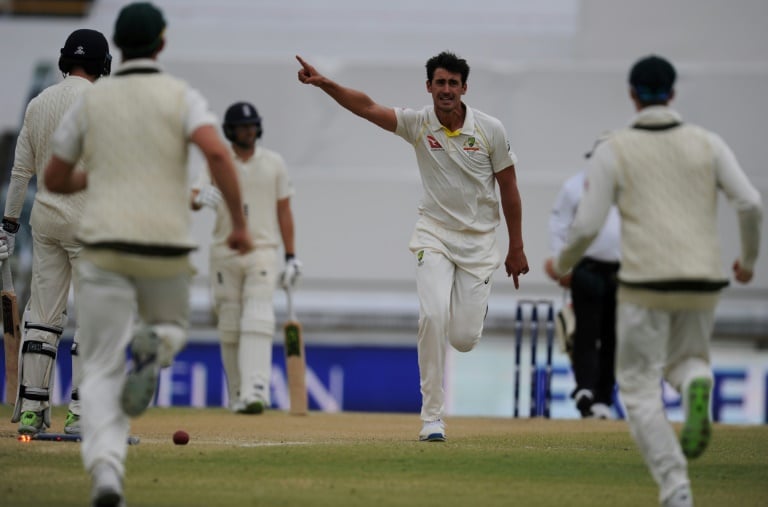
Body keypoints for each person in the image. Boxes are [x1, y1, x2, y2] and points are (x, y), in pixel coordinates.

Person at [43, 3, 252, 506]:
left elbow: (54, 178)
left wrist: (98, 175)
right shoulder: (180, 96)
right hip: (164, 246)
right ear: (161, 44)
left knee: (99, 365)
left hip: (104, 246)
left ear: (118, 46)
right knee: (170, 330)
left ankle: (107, 473)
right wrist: (240, 225)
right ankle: (154, 346)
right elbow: (217, 153)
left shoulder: (92, 102)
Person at [544, 55, 762, 507]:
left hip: (644, 282)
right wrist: (748, 261)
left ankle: (676, 487)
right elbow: (750, 204)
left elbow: (586, 226)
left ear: (632, 95)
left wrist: (563, 263)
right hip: (704, 280)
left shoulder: (615, 148)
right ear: (673, 93)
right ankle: (697, 380)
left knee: (639, 385)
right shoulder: (708, 143)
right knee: (687, 361)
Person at [296, 51, 529, 442]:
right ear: (428, 87)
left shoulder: (490, 130)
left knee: (463, 339)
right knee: (432, 316)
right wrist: (326, 84)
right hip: (433, 235)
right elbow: (366, 107)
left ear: (464, 88)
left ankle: (473, 306)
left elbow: (509, 189)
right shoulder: (418, 123)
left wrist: (516, 247)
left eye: (453, 83)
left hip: (479, 243)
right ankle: (432, 417)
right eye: (440, 83)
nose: (446, 90)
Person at [3, 28, 112, 436]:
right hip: (90, 223)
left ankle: (32, 410)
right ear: (103, 64)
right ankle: (81, 414)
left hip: (45, 222)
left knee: (43, 317)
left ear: (67, 60)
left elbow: (20, 172)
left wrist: (7, 225)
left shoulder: (38, 103)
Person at [190, 101, 301, 414]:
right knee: (229, 323)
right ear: (230, 130)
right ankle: (238, 393)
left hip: (262, 250)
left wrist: (291, 256)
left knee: (258, 316)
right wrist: (199, 198)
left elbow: (284, 211)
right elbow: (193, 197)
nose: (248, 132)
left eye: (251, 126)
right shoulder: (217, 160)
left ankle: (256, 390)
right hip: (224, 251)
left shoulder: (274, 163)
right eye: (242, 127)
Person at [546, 167, 620, 419]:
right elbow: (559, 225)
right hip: (586, 267)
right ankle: (585, 388)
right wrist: (561, 263)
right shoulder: (575, 186)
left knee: (613, 336)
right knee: (585, 331)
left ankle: (603, 398)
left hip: (621, 270)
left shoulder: (630, 182)